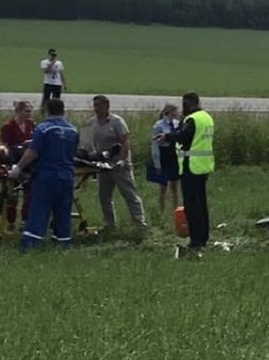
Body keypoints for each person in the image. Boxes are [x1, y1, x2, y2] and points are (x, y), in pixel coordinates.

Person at [10, 98, 80, 250]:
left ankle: (31, 245)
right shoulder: (73, 130)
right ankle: (62, 244)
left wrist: (19, 168)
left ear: (47, 110)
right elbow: (72, 153)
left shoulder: (44, 128)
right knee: (63, 211)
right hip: (67, 176)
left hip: (47, 176)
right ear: (63, 111)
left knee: (39, 210)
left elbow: (32, 152)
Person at [155, 92, 215, 254]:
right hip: (203, 166)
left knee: (192, 206)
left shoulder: (192, 119)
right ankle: (203, 236)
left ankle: (195, 240)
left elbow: (183, 137)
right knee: (201, 204)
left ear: (188, 103)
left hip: (192, 166)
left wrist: (167, 136)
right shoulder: (206, 117)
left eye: (184, 104)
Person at [87, 94, 146, 229]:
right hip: (103, 164)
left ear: (107, 106)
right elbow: (89, 143)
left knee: (129, 194)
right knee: (104, 196)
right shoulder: (92, 123)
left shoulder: (117, 122)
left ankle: (139, 223)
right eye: (94, 105)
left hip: (119, 164)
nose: (96, 109)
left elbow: (125, 142)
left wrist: (122, 160)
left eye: (99, 106)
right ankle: (110, 224)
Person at [0, 100, 35, 229]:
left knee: (29, 192)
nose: (29, 114)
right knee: (12, 193)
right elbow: (4, 146)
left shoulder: (31, 124)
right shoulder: (8, 126)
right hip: (13, 161)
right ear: (18, 111)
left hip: (28, 161)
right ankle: (11, 222)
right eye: (26, 111)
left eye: (30, 111)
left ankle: (25, 220)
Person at [147, 103, 181, 214]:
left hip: (174, 155)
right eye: (176, 111)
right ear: (169, 112)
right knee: (163, 186)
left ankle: (175, 210)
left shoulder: (177, 124)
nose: (178, 113)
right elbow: (155, 145)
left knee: (175, 186)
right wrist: (157, 162)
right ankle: (161, 210)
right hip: (164, 154)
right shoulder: (159, 126)